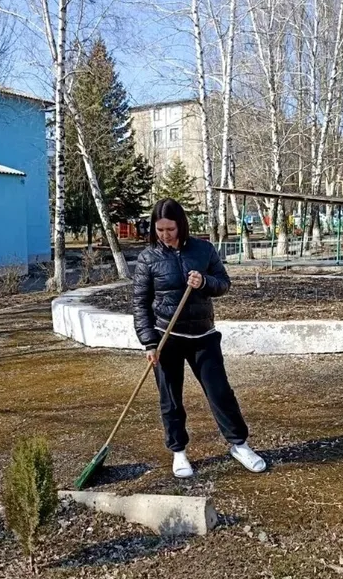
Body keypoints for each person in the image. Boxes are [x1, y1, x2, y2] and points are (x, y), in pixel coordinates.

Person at [132, 197, 266, 479]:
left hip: (203, 336)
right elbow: (140, 304)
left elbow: (224, 283)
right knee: (170, 398)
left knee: (220, 393)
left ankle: (239, 445)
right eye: (160, 230)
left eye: (170, 229)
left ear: (181, 225)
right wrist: (149, 343)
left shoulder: (203, 250)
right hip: (166, 338)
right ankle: (178, 451)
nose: (165, 235)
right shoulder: (148, 258)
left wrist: (204, 282)